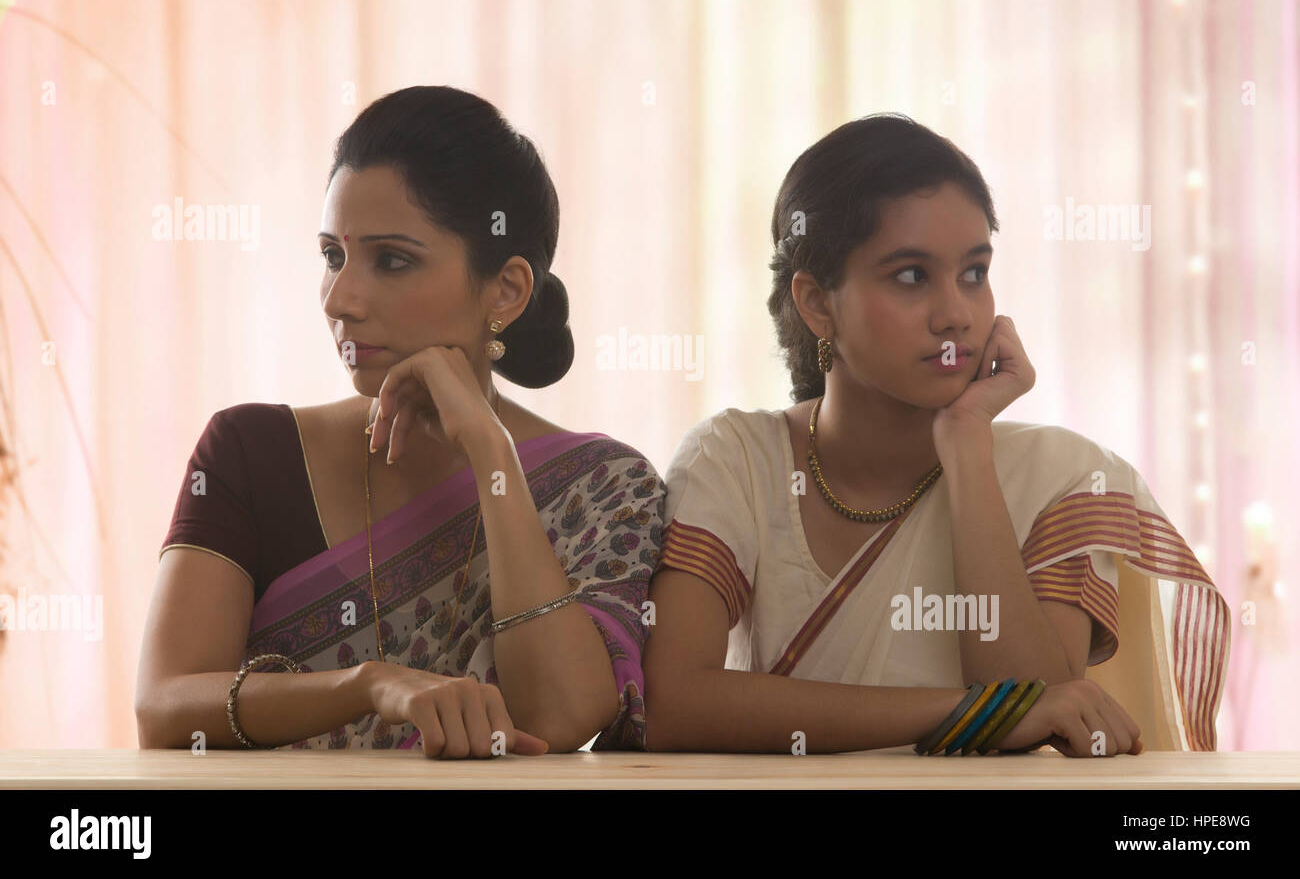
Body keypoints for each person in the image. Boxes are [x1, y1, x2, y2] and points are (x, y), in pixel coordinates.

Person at [644, 114, 1228, 756]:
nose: (956, 315)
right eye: (912, 276)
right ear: (816, 304)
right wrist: (968, 712)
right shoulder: (736, 461)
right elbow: (672, 705)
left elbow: (1045, 717)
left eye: (974, 273)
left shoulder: (1062, 474)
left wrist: (968, 450)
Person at [138, 86, 663, 758]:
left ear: (505, 290)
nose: (341, 299)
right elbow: (162, 709)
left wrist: (492, 454)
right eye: (333, 255)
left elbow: (558, 718)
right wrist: (372, 685)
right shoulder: (248, 452)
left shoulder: (606, 486)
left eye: (392, 259)